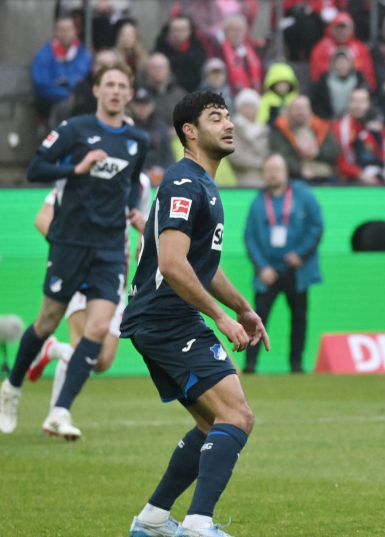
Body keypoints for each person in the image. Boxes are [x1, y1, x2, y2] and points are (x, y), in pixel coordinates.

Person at [120, 90, 268, 537]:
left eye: (228, 117)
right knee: (237, 416)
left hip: (162, 318)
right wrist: (220, 319)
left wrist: (242, 308)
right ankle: (199, 524)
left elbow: (204, 265)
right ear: (190, 131)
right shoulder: (185, 181)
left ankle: (152, 520)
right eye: (215, 117)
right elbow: (172, 263)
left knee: (210, 422)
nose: (228, 124)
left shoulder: (201, 181)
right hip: (167, 317)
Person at [0, 62, 149, 440]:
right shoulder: (74, 130)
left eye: (122, 86)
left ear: (129, 94)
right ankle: (12, 386)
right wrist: (76, 168)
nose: (116, 91)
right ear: (96, 90)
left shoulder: (138, 141)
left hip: (111, 248)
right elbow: (35, 169)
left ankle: (60, 411)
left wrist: (132, 208)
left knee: (99, 329)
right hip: (69, 242)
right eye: (109, 84)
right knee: (48, 319)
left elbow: (133, 182)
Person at [26, 171, 152, 414]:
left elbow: (141, 224)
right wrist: (73, 249)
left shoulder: (141, 183)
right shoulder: (81, 177)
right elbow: (43, 219)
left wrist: (142, 238)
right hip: (79, 273)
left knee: (101, 361)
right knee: (84, 347)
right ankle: (57, 415)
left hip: (113, 279)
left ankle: (52, 349)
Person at [243, 153, 323, 375]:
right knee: (258, 317)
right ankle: (250, 364)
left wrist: (300, 254)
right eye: (268, 170)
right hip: (268, 271)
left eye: (276, 169)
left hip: (296, 269)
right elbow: (249, 237)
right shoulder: (258, 202)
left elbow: (316, 226)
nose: (272, 174)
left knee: (299, 317)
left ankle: (296, 364)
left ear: (286, 172)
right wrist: (262, 267)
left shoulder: (303, 195)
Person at [32, 15, 92, 127]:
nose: (65, 33)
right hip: (52, 102)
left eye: (68, 29)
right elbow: (41, 85)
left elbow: (85, 76)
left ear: (75, 31)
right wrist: (65, 94)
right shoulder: (43, 55)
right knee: (64, 108)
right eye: (61, 30)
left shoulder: (83, 54)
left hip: (79, 99)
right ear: (55, 32)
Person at [270, 96, 341, 182]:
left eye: (303, 108)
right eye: (296, 108)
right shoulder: (281, 129)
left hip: (324, 174)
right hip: (294, 176)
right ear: (289, 111)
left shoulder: (321, 127)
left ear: (310, 110)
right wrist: (299, 169)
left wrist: (317, 153)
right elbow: (282, 154)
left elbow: (334, 150)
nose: (300, 112)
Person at [334, 88, 385, 185]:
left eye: (363, 101)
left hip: (379, 175)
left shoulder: (380, 128)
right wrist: (360, 174)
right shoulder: (339, 127)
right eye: (354, 101)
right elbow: (340, 161)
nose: (358, 106)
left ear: (369, 103)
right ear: (348, 104)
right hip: (352, 178)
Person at [309, 12, 375, 86]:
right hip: (329, 89)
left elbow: (368, 73)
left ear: (352, 29)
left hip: (356, 91)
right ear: (331, 28)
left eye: (344, 28)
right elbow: (317, 76)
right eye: (338, 28)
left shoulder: (360, 48)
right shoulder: (321, 48)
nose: (342, 32)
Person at [129, 88, 176, 182]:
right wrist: (143, 173)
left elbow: (168, 156)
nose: (142, 108)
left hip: (159, 177)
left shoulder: (161, 127)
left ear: (152, 105)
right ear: (132, 106)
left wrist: (163, 172)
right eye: (138, 104)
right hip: (135, 179)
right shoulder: (128, 127)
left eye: (145, 104)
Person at [155, 16, 209, 94]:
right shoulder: (160, 51)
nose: (178, 34)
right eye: (175, 30)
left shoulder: (199, 52)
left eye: (183, 30)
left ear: (190, 31)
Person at [216, 14, 264, 95]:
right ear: (225, 32)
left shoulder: (254, 49)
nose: (236, 33)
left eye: (239, 30)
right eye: (233, 30)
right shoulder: (218, 50)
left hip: (254, 95)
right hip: (229, 94)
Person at [310, 49, 364, 120]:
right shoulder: (323, 81)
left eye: (345, 62)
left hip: (355, 121)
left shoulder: (359, 80)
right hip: (329, 122)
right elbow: (316, 104)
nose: (342, 65)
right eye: (339, 62)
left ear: (351, 64)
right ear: (332, 64)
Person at [231, 89, 269, 188]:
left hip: (265, 174)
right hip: (243, 175)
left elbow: (268, 152)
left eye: (251, 106)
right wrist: (260, 163)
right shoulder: (232, 128)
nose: (247, 109)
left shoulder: (264, 130)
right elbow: (235, 155)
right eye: (244, 106)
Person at [145, 52, 189, 124]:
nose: (157, 70)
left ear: (168, 70)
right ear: (148, 70)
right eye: (153, 67)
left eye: (160, 67)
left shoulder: (180, 94)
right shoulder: (142, 94)